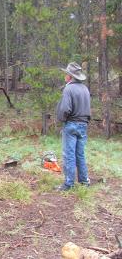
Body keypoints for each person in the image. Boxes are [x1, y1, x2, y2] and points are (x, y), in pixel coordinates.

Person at [56, 62, 91, 191]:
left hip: (71, 125)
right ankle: (84, 181)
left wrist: (62, 120)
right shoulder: (85, 89)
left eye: (66, 74)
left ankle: (68, 184)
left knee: (69, 154)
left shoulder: (69, 89)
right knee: (80, 154)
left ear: (70, 77)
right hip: (83, 125)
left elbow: (65, 109)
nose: (65, 75)